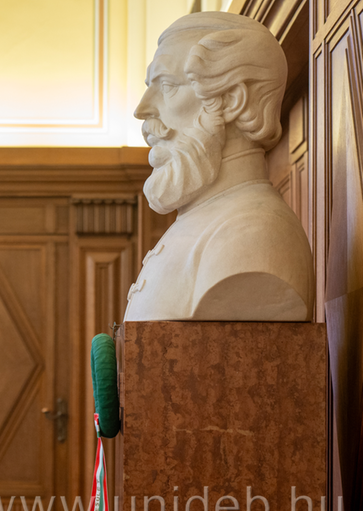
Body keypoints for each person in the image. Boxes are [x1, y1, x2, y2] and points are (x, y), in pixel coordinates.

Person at [124, 11, 314, 321]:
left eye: (167, 85)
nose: (142, 109)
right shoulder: (205, 221)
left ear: (233, 99)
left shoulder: (254, 235)